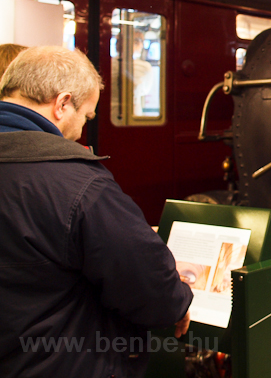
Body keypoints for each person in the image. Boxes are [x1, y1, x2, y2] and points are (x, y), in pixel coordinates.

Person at [0, 46, 192, 378]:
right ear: (61, 104)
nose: (79, 133)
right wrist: (177, 301)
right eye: (86, 117)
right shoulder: (79, 185)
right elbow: (143, 280)